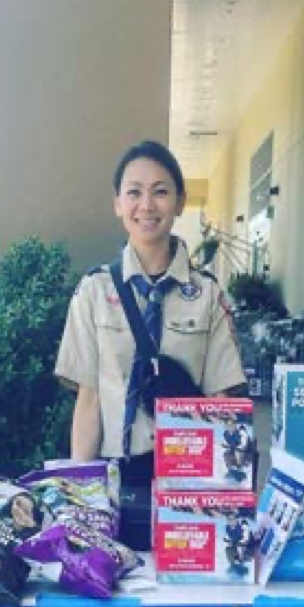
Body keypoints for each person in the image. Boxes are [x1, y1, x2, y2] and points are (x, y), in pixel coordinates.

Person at [55, 139, 246, 498]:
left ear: (180, 202)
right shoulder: (93, 291)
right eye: (134, 192)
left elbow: (220, 399)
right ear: (117, 204)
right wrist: (82, 495)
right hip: (117, 474)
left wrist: (221, 497)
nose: (146, 206)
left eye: (160, 192)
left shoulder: (208, 295)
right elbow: (89, 399)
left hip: (188, 476)